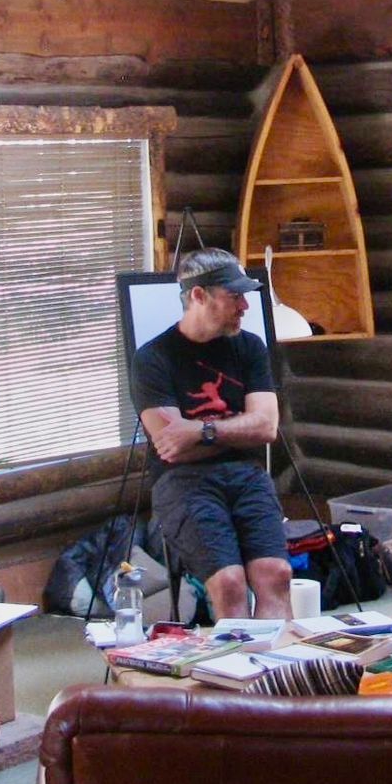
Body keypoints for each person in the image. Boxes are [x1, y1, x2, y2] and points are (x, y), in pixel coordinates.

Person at [130, 247, 292, 620]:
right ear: (199, 296)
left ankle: (281, 675)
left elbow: (267, 426)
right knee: (229, 582)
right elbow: (172, 448)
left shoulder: (250, 347)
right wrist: (237, 429)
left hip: (246, 475)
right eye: (234, 296)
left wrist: (200, 431)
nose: (245, 307)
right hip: (183, 482)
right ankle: (235, 676)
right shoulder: (153, 359)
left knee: (277, 574)